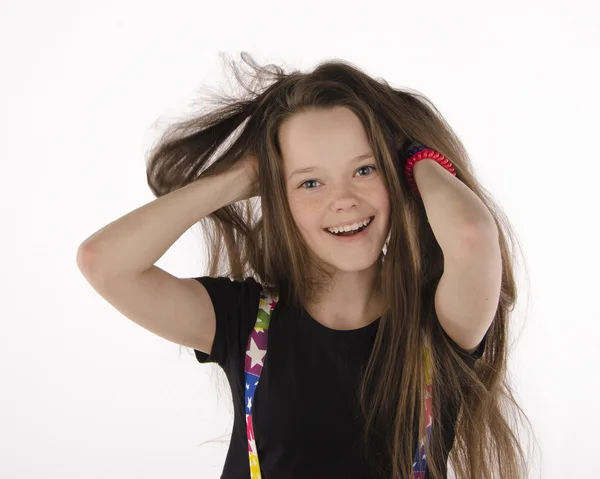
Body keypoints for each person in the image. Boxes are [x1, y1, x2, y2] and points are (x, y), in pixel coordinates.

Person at [76, 53, 535, 479]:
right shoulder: (245, 321)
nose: (342, 200)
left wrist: (414, 155)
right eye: (310, 182)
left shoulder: (441, 324)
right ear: (280, 197)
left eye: (365, 170)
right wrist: (247, 176)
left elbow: (472, 235)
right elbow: (105, 263)